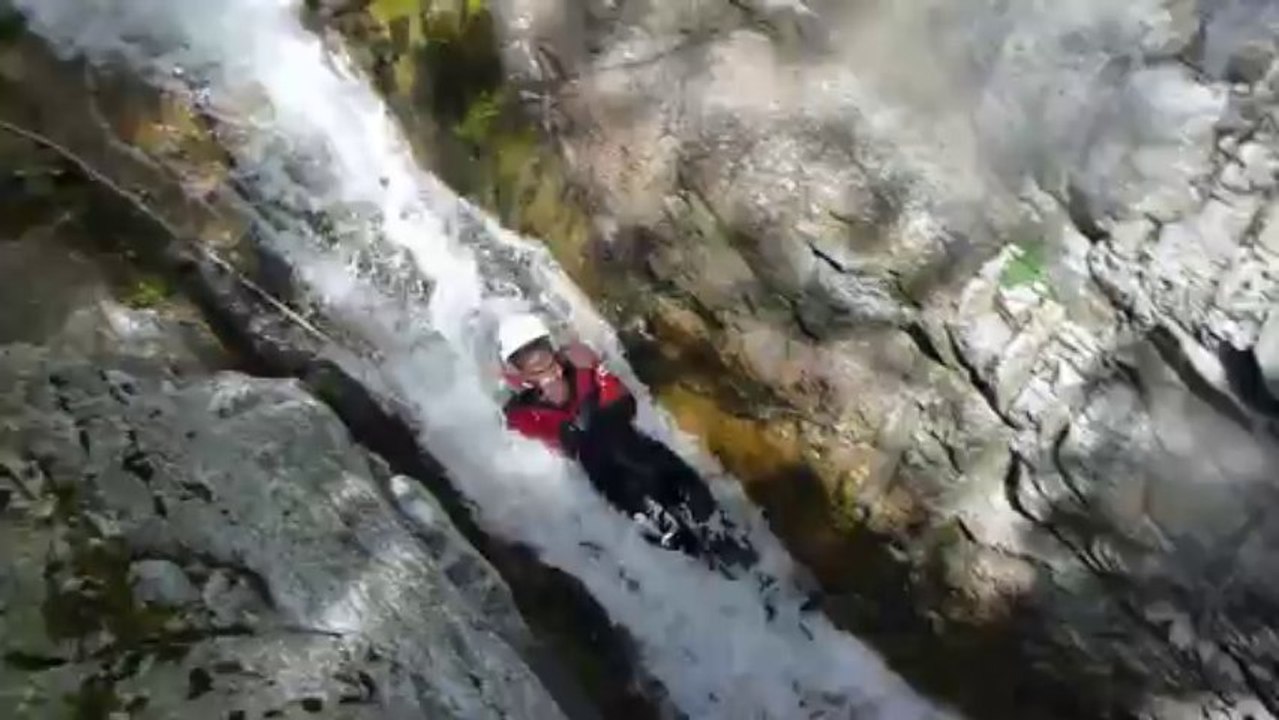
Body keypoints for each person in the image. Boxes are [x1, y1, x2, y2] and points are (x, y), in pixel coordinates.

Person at [497, 312, 721, 551]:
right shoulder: (523, 412)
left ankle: (697, 504)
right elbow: (542, 446)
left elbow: (624, 401)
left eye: (541, 351)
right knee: (593, 449)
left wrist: (600, 409)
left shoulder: (580, 365)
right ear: (517, 369)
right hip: (608, 474)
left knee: (613, 438)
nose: (539, 363)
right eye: (528, 360)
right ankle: (659, 522)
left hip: (631, 447)